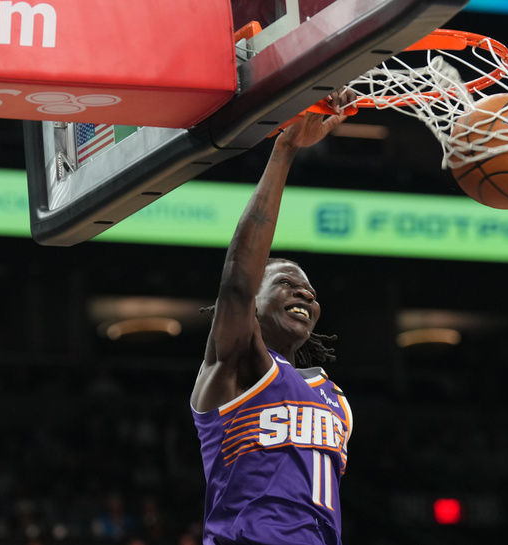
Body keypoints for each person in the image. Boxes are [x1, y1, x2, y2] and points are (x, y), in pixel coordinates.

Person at [190, 91, 354, 545]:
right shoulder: (235, 367)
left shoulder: (334, 399)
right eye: (285, 282)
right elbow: (238, 280)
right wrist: (284, 151)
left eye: (310, 292)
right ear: (253, 303)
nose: (303, 292)